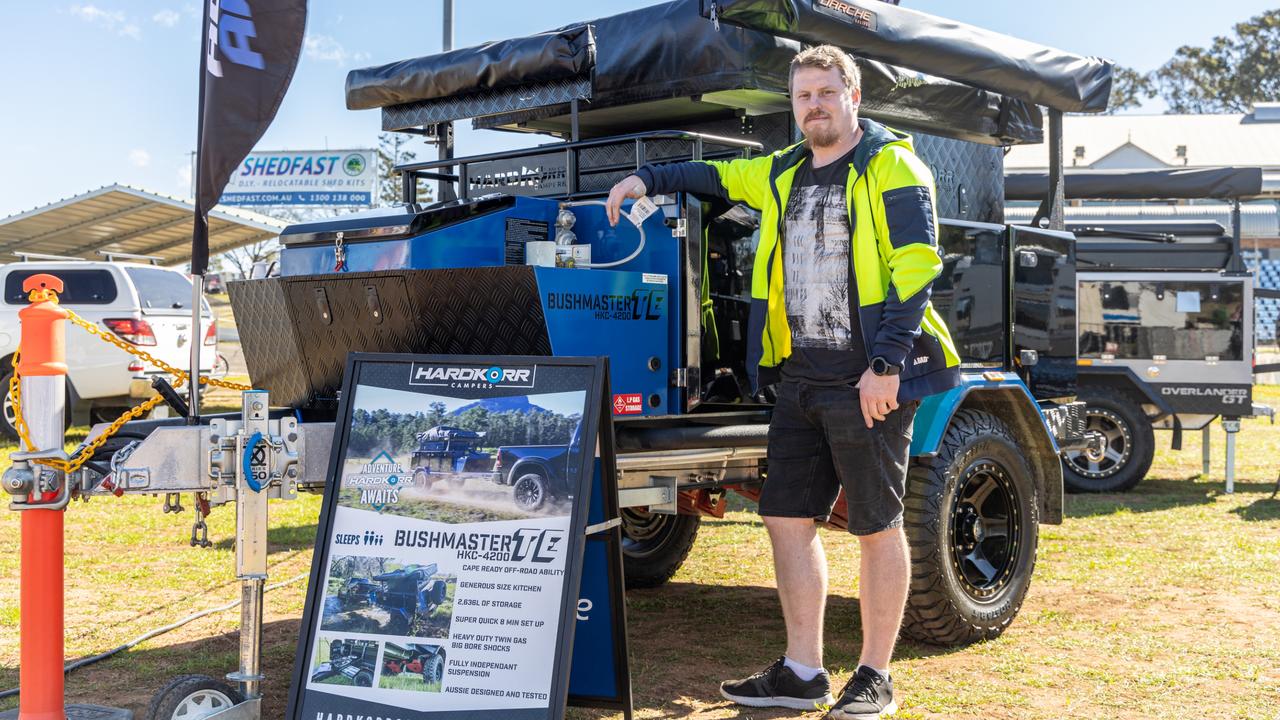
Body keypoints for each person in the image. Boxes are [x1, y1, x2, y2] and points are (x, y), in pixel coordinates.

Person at [605, 45, 960, 720]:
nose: (815, 105)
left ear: (853, 97)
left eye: (827, 92)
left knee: (877, 527)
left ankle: (875, 675)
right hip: (801, 379)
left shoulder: (892, 165)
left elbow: (917, 268)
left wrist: (885, 367)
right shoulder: (782, 170)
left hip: (866, 380)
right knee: (784, 518)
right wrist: (646, 179)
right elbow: (714, 175)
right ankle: (802, 672)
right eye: (803, 96)